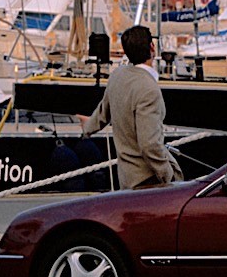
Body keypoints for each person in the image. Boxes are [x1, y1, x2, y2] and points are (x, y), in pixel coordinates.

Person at [76, 24, 182, 188]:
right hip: (148, 181)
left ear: (126, 52)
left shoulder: (118, 75)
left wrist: (87, 127)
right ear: (152, 47)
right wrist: (169, 177)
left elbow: (102, 114)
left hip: (126, 179)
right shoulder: (149, 89)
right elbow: (149, 144)